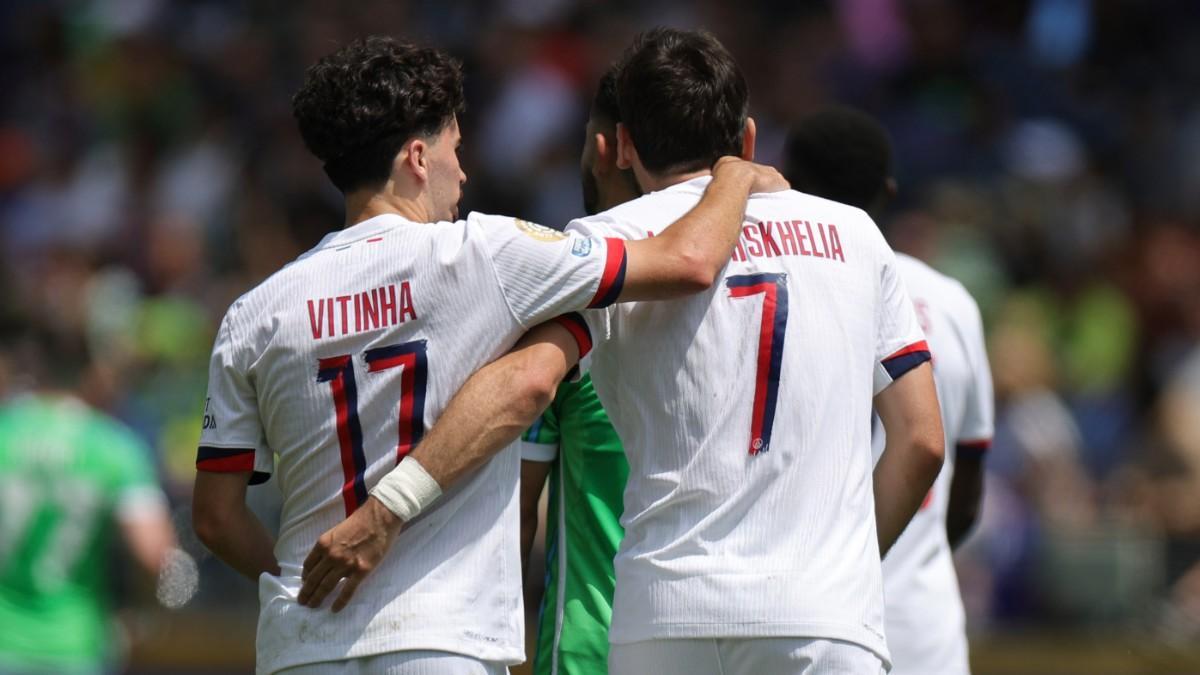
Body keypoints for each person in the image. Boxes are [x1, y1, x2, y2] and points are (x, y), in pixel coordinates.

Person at [306, 29, 945, 675]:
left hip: (664, 615)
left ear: (625, 148)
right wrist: (851, 571)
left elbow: (527, 381)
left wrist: (393, 504)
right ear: (747, 141)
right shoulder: (855, 234)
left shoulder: (610, 243)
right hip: (825, 618)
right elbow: (922, 441)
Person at [190, 36, 784, 675]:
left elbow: (216, 517)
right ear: (418, 157)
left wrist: (307, 582)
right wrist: (734, 172)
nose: (464, 173)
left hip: (300, 651)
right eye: (456, 150)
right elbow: (686, 261)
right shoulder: (482, 257)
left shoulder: (254, 313)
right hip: (440, 639)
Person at [784, 106, 995, 675]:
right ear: (889, 191)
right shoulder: (951, 303)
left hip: (807, 621)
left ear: (789, 184)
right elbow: (966, 488)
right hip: (923, 628)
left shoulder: (774, 292)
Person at [517, 67, 637, 675]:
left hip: (592, 652)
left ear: (603, 150)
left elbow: (519, 509)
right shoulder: (755, 294)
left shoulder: (567, 302)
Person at [0, 329, 177, 675]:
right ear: (91, 373)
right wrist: (143, 615)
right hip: (76, 644)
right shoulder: (114, 448)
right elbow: (157, 556)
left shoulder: (5, 433)